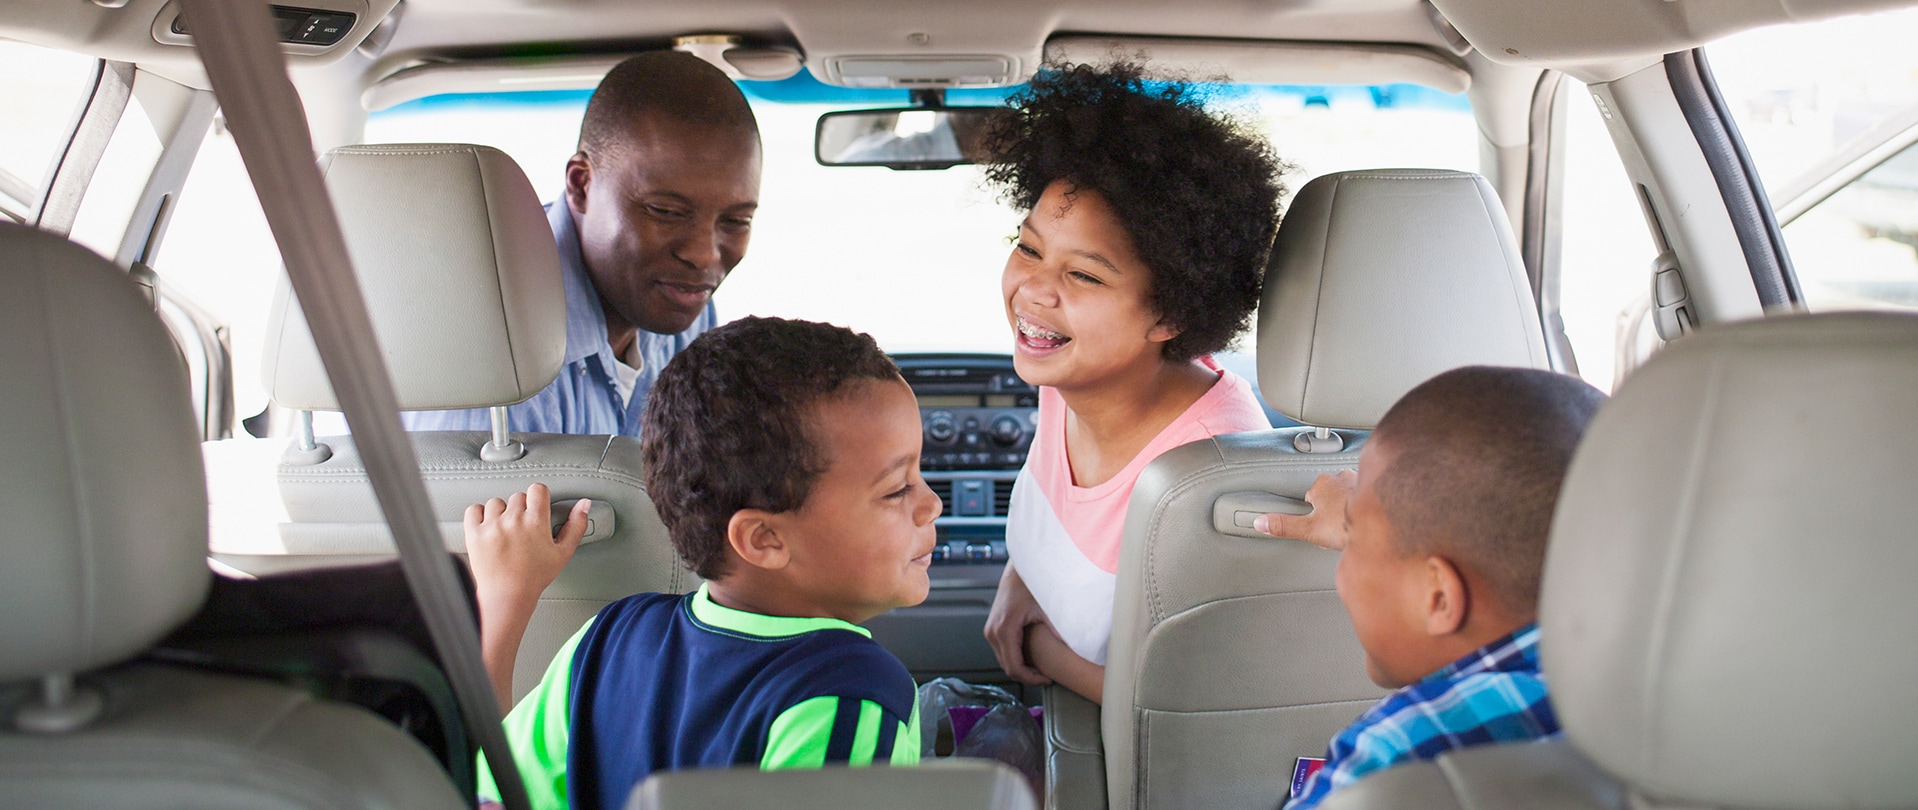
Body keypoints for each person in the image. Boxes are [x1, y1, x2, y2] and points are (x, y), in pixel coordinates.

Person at [464, 317, 941, 810]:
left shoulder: (606, 638)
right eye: (897, 489)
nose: (932, 505)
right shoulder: (852, 695)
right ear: (763, 539)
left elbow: (488, 795)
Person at [980, 63, 1288, 704]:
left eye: (1085, 277)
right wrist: (1019, 582)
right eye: (1029, 248)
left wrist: (1032, 644)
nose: (1035, 291)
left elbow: (1176, 703)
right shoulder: (1070, 371)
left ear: (1171, 311)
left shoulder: (1210, 472)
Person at [1253, 366, 1607, 809]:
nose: (1342, 572)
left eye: (1353, 540)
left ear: (1437, 596)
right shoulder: (1680, 691)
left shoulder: (1396, 761)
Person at [405, 51, 762, 437]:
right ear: (581, 185)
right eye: (666, 211)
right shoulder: (493, 361)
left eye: (736, 221)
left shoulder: (684, 305)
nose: (704, 254)